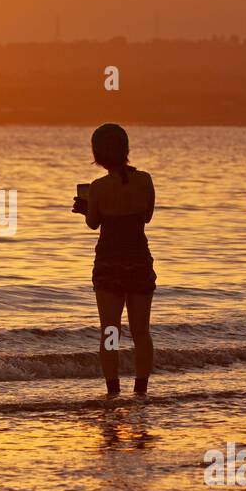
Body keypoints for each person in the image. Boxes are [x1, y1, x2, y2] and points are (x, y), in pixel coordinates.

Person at [72, 124, 155, 396]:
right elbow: (147, 216)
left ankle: (113, 392)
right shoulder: (145, 180)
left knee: (110, 331)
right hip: (139, 261)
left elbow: (93, 223)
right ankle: (141, 392)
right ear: (126, 150)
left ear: (98, 154)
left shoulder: (97, 187)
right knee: (141, 332)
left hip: (109, 264)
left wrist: (86, 209)